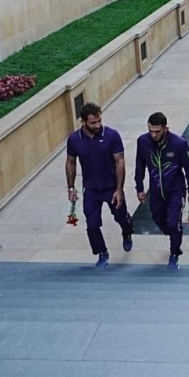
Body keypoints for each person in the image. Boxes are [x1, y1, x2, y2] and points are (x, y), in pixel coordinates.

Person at [65, 103, 133, 268]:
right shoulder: (74, 139)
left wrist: (119, 189)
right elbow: (70, 162)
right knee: (92, 224)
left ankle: (127, 232)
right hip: (91, 190)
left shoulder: (111, 135)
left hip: (111, 188)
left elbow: (120, 162)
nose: (97, 125)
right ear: (83, 122)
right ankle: (102, 252)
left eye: (99, 121)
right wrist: (71, 188)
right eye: (93, 122)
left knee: (121, 217)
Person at [134, 112, 189, 270]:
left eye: (157, 131)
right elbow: (140, 165)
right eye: (150, 131)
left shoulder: (179, 144)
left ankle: (174, 252)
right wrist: (139, 188)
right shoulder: (143, 142)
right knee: (157, 218)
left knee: (174, 223)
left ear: (165, 129)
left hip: (176, 191)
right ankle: (174, 234)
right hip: (156, 191)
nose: (153, 135)